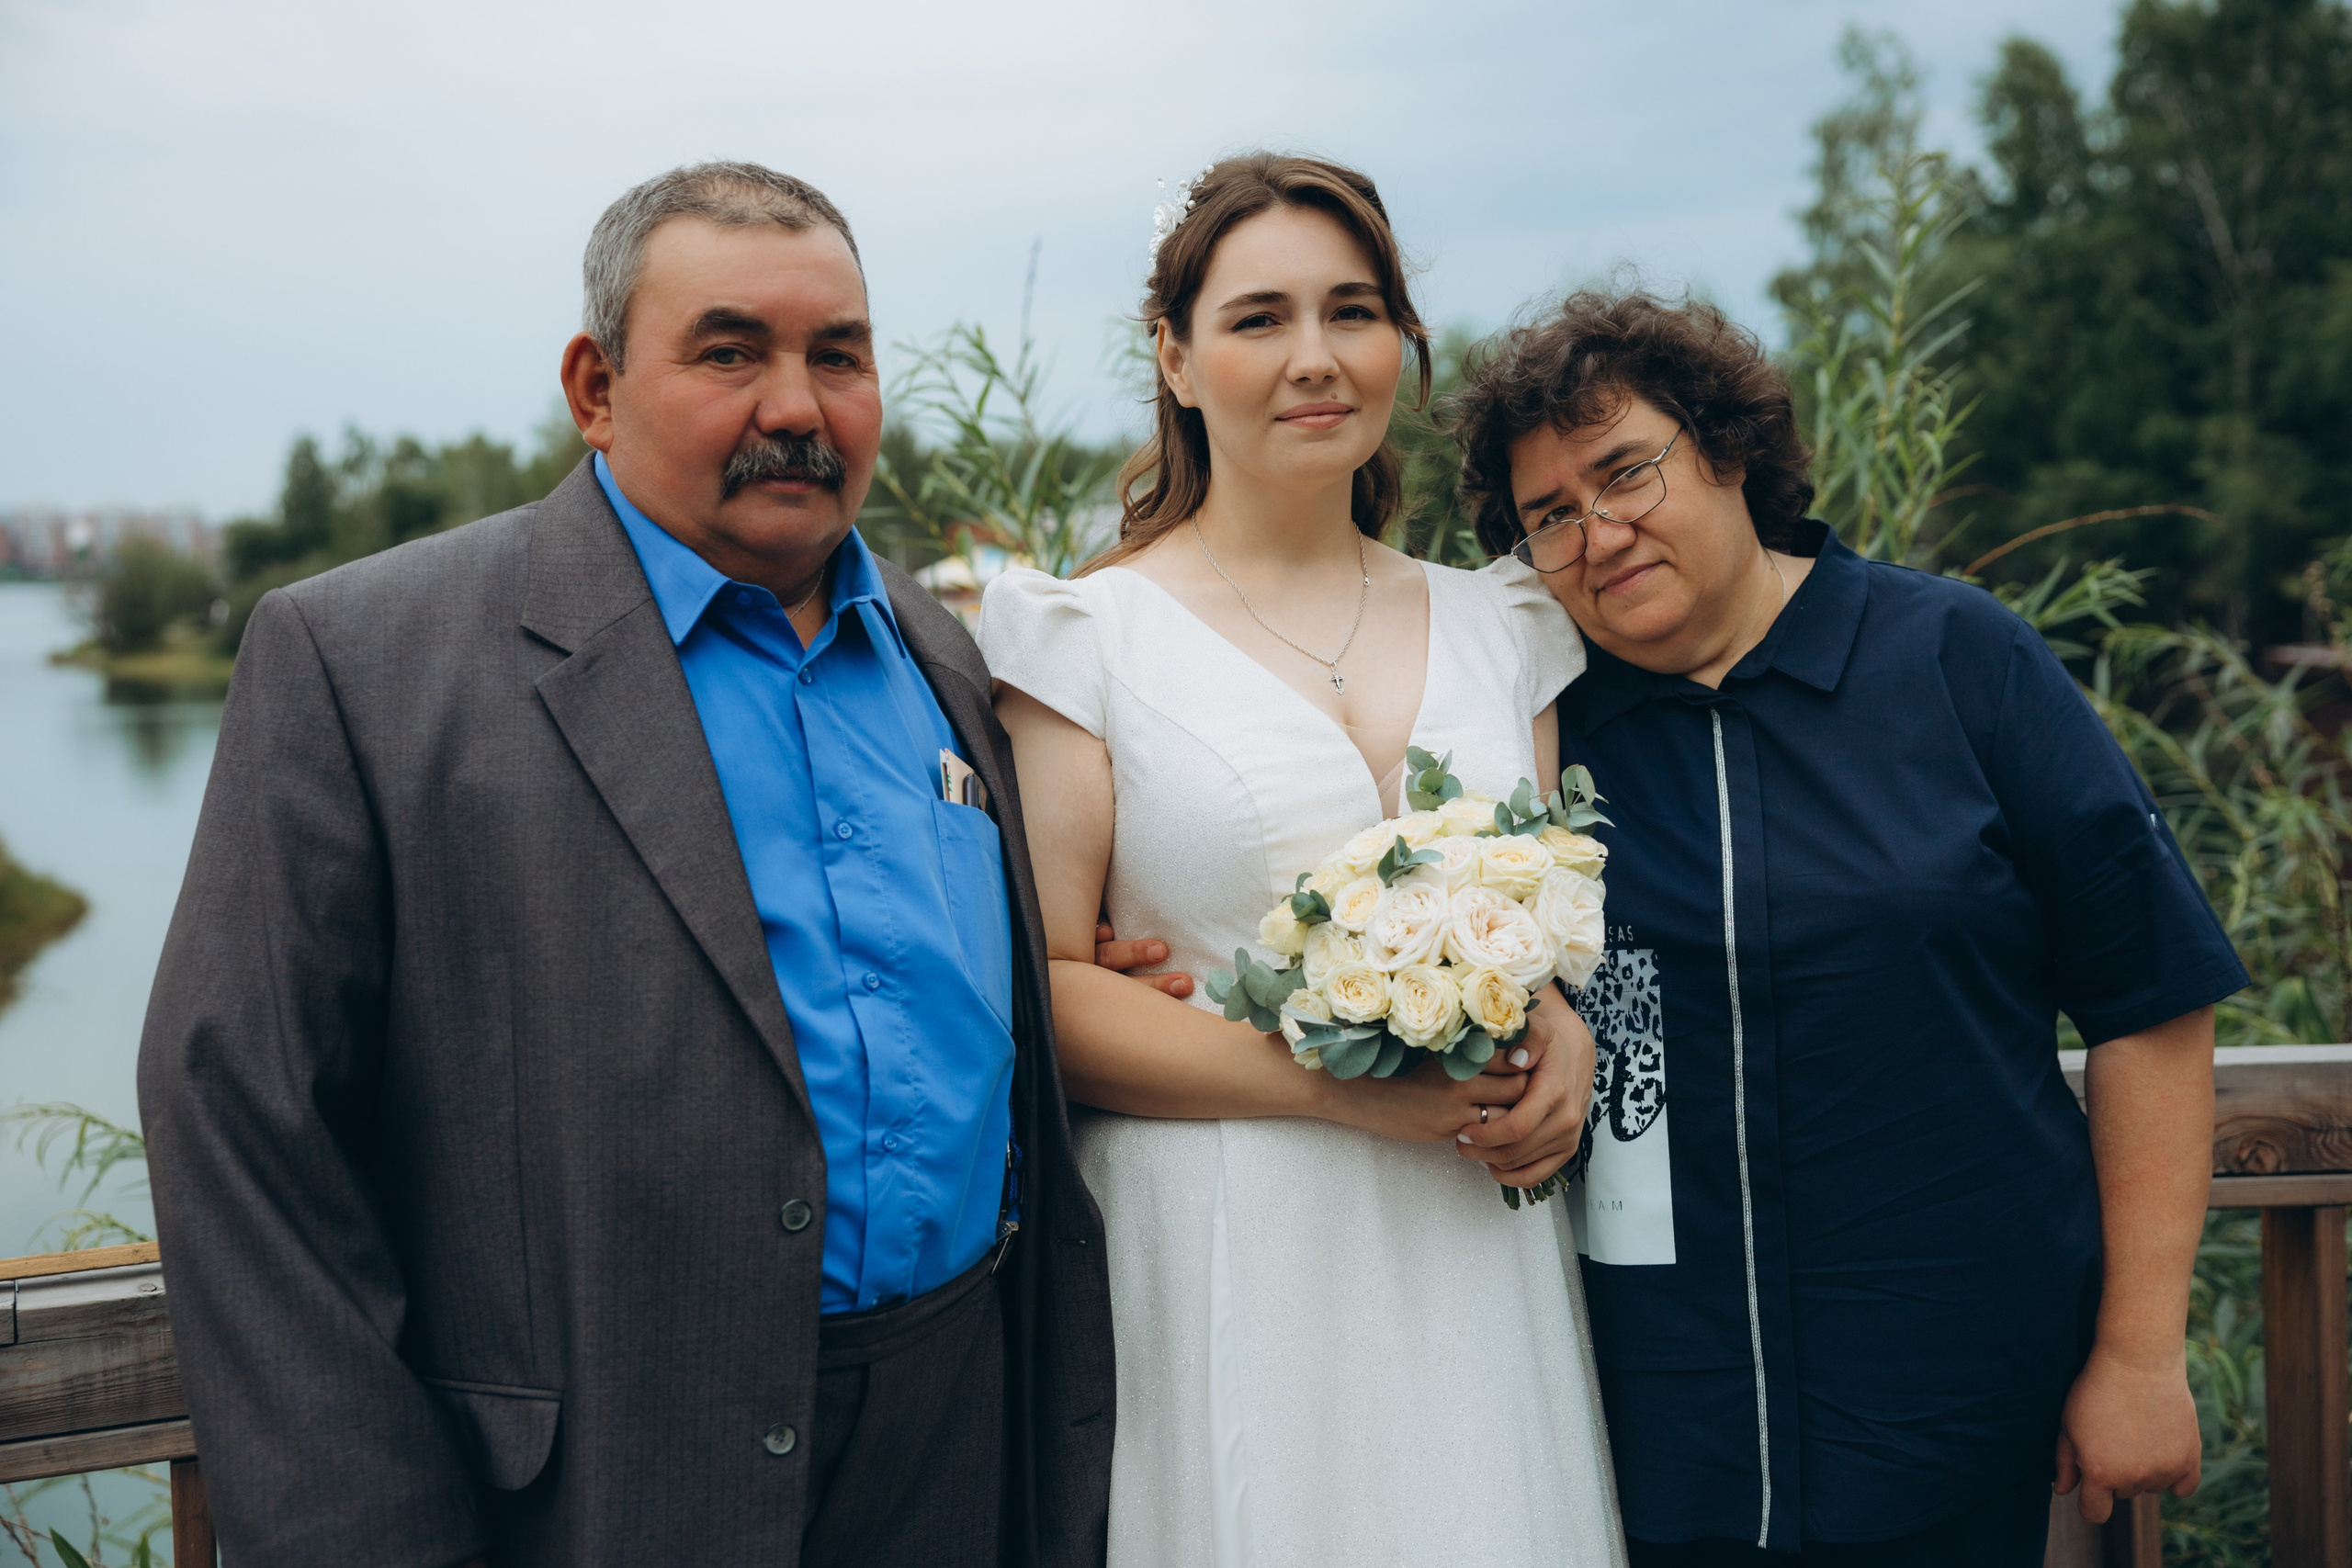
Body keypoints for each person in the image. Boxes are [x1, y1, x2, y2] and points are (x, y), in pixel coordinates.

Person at [136, 162, 1115, 1568]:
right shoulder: (362, 661)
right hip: (596, 1490)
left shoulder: (939, 653)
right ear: (594, 386)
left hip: (956, 1448)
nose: (797, 405)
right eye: (730, 353)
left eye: (837, 355)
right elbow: (242, 1132)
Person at [1443, 289, 2247, 1566]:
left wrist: (2140, 1350)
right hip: (1645, 1406)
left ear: (1729, 449)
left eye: (1625, 473)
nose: (1599, 534)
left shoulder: (1955, 659)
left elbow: (2151, 999)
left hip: (1957, 1384)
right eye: (1549, 517)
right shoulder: (1541, 730)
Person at [981, 153, 1625, 1567]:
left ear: (1402, 338)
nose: (1316, 358)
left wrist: (1561, 1027)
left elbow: (1542, 912)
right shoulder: (1083, 639)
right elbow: (1051, 991)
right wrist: (1346, 1097)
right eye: (1260, 318)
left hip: (1473, 1230)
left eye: (1354, 311)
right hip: (1226, 1235)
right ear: (1177, 355)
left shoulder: (1505, 622)